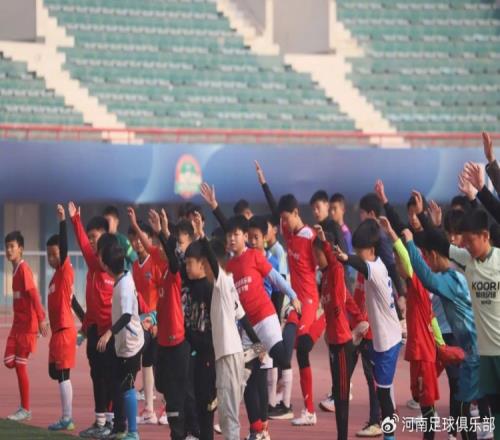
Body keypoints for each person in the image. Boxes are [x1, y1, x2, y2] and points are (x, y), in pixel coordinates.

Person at [414, 195, 500, 438]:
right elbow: (441, 244)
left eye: (470, 240)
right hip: (481, 350)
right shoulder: (466, 260)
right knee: (482, 404)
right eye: (464, 240)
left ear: (485, 236)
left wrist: (480, 190)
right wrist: (424, 218)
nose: (466, 245)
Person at [255, 161, 326, 426]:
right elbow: (276, 210)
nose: (282, 223)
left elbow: (327, 264)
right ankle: (285, 403)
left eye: (286, 218)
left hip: (310, 301)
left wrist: (323, 299)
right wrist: (264, 183)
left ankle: (308, 410)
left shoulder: (310, 236)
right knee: (285, 350)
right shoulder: (287, 230)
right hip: (295, 301)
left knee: (303, 348)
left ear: (297, 213)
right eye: (282, 220)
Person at [334, 219, 402, 440]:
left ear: (372, 250)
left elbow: (362, 265)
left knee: (383, 394)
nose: (356, 254)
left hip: (388, 341)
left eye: (359, 251)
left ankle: (389, 436)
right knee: (383, 392)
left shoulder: (377, 269)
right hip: (380, 339)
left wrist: (346, 258)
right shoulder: (373, 267)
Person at [128, 207, 189, 440]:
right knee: (162, 382)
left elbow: (171, 255)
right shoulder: (158, 262)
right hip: (162, 337)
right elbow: (149, 246)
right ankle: (167, 412)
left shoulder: (173, 271)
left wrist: (163, 231)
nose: (158, 250)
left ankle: (183, 427)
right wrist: (136, 225)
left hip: (176, 337)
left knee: (177, 387)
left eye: (163, 247)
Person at [378, 217, 439, 440]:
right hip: (420, 352)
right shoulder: (414, 290)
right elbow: (432, 319)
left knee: (427, 405)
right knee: (423, 403)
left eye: (397, 260)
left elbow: (407, 258)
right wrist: (441, 345)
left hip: (423, 354)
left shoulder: (418, 283)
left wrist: (393, 235)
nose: (396, 264)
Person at [314, 225, 369, 440]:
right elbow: (348, 300)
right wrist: (360, 319)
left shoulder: (336, 270)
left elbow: (333, 260)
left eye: (318, 253)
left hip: (343, 341)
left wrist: (324, 242)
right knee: (338, 394)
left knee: (343, 396)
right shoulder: (326, 277)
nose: (316, 258)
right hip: (334, 342)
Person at [68, 202, 115, 438]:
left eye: (95, 237)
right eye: (90, 238)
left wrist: (75, 220)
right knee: (97, 376)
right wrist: (85, 330)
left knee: (110, 377)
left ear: (106, 237)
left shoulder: (113, 266)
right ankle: (100, 422)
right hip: (95, 331)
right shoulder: (94, 265)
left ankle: (113, 423)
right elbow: (84, 245)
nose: (91, 242)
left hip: (111, 332)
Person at [97, 236, 145, 440]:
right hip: (122, 343)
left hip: (131, 345)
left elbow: (126, 315)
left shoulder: (124, 286)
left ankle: (133, 432)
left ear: (107, 266)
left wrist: (109, 333)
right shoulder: (123, 278)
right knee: (116, 384)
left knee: (127, 386)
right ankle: (119, 428)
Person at [3, 230, 49, 421]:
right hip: (17, 326)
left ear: (20, 249)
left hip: (28, 326)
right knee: (9, 361)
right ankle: (24, 408)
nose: (8, 250)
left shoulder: (23, 269)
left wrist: (41, 319)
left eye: (12, 246)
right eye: (7, 247)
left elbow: (34, 295)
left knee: (20, 365)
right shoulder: (14, 271)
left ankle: (25, 409)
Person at [128, 221, 163, 425]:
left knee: (162, 365)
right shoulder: (134, 266)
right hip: (144, 323)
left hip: (159, 322)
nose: (137, 242)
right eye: (133, 238)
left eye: (141, 238)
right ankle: (149, 409)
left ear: (149, 239)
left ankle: (168, 407)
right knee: (147, 362)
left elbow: (163, 294)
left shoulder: (156, 262)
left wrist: (157, 320)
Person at [46, 205, 77, 431]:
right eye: (48, 254)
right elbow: (71, 301)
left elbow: (64, 249)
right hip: (56, 333)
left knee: (64, 375)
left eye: (54, 254)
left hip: (65, 331)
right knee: (54, 372)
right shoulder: (54, 279)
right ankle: (66, 416)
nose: (51, 258)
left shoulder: (65, 270)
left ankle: (67, 418)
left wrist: (63, 221)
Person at [103, 205, 137, 270]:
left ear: (116, 221)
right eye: (104, 221)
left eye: (108, 221)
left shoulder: (123, 241)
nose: (106, 224)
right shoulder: (102, 241)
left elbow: (135, 260)